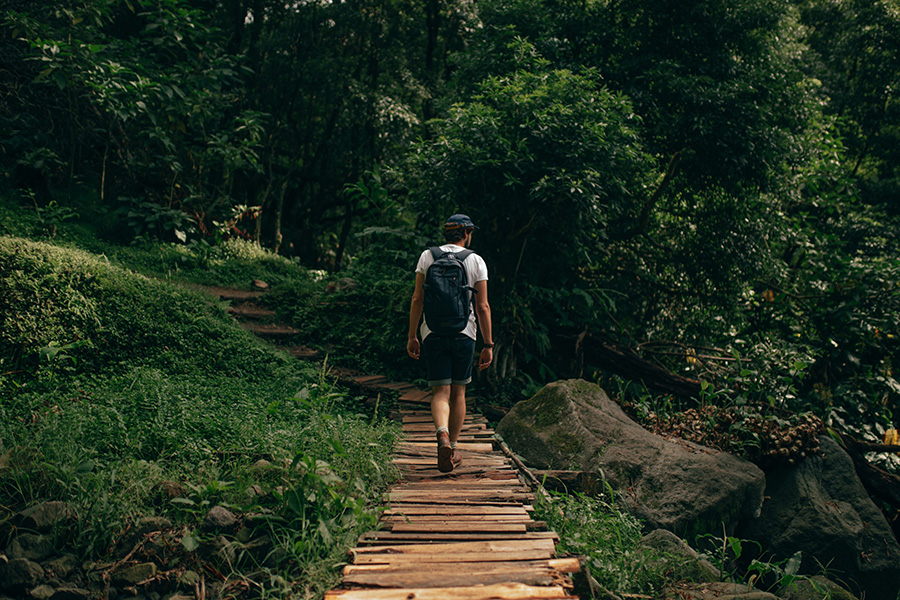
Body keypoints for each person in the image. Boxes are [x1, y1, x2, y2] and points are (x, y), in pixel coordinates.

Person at [407, 214, 493, 473]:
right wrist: (488, 344)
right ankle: (452, 447)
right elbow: (483, 306)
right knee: (459, 393)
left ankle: (441, 434)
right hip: (464, 334)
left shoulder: (427, 256)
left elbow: (417, 299)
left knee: (440, 392)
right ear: (466, 233)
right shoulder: (475, 260)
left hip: (432, 332)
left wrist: (412, 336)